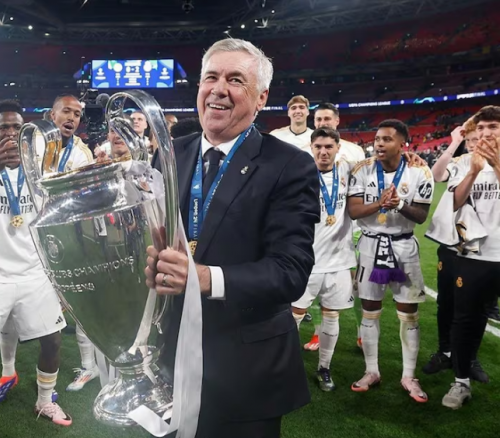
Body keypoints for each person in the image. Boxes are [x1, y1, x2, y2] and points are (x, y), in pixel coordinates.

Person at [145, 38, 319, 438]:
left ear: (261, 98)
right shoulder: (170, 154)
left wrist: (204, 278)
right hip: (170, 358)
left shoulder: (289, 165)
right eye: (211, 77)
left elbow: (290, 272)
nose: (219, 89)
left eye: (235, 80)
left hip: (246, 370)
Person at [0, 99, 71, 438]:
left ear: (26, 131)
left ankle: (44, 401)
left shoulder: (40, 164)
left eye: (16, 127)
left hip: (34, 271)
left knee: (52, 341)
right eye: (3, 127)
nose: (10, 132)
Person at [347, 119, 434, 403]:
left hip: (404, 246)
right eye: (377, 139)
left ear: (402, 144)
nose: (379, 144)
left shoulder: (420, 170)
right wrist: (380, 204)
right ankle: (371, 371)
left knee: (408, 311)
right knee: (369, 309)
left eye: (387, 139)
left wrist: (399, 204)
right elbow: (354, 211)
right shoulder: (362, 169)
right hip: (370, 244)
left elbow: (421, 215)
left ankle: (409, 375)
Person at [423, 117, 488, 383]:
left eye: (476, 140)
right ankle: (445, 351)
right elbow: (437, 175)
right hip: (452, 244)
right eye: (468, 140)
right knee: (447, 301)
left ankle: (469, 357)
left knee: (476, 306)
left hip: (483, 249)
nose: (472, 144)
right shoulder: (461, 162)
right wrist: (454, 143)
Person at [443, 105, 500, 409]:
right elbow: (454, 202)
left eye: (493, 127)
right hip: (474, 254)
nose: (486, 133)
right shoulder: (468, 162)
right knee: (465, 319)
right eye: (482, 127)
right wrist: (475, 171)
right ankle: (461, 382)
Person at [292, 128, 356, 392]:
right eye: (318, 146)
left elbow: (380, 163)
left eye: (329, 146)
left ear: (338, 147)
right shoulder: (300, 175)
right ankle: (285, 365)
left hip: (339, 261)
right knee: (294, 314)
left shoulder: (349, 171)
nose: (323, 152)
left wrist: (411, 157)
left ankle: (324, 367)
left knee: (331, 315)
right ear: (311, 147)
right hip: (306, 260)